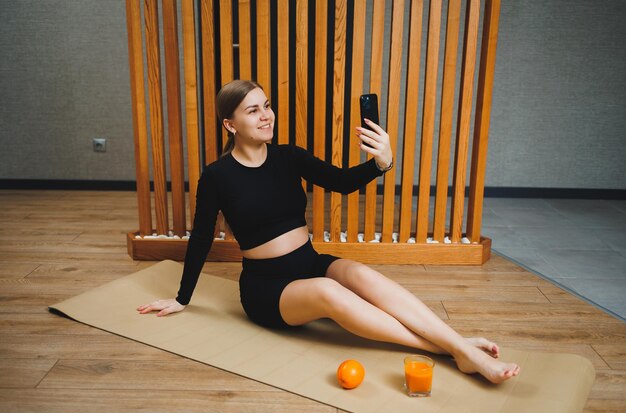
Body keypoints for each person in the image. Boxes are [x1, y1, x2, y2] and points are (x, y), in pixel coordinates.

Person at [137, 79, 520, 384]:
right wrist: (182, 298)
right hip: (267, 288)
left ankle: (456, 345)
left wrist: (382, 164)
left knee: (358, 272)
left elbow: (342, 181)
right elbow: (202, 237)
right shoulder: (217, 176)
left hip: (311, 262)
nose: (266, 115)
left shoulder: (289, 156)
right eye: (253, 110)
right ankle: (457, 352)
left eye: (267, 105)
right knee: (327, 291)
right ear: (230, 124)